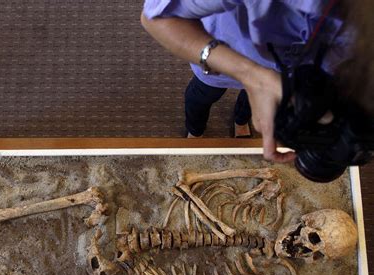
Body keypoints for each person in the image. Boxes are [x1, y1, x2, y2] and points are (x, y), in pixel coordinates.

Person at [140, 0, 355, 163]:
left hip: (290, 77)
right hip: (226, 53)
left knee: (249, 99)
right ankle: (196, 129)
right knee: (203, 94)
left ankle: (241, 120)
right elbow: (156, 17)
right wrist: (252, 76)